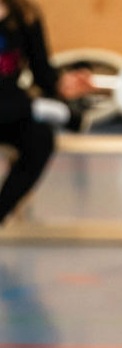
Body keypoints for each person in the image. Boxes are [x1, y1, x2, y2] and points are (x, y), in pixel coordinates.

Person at [0, 0, 91, 225]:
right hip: (10, 106)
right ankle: (39, 110)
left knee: (40, 139)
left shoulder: (25, 15)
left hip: (9, 107)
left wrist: (64, 84)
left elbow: (42, 72)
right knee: (22, 108)